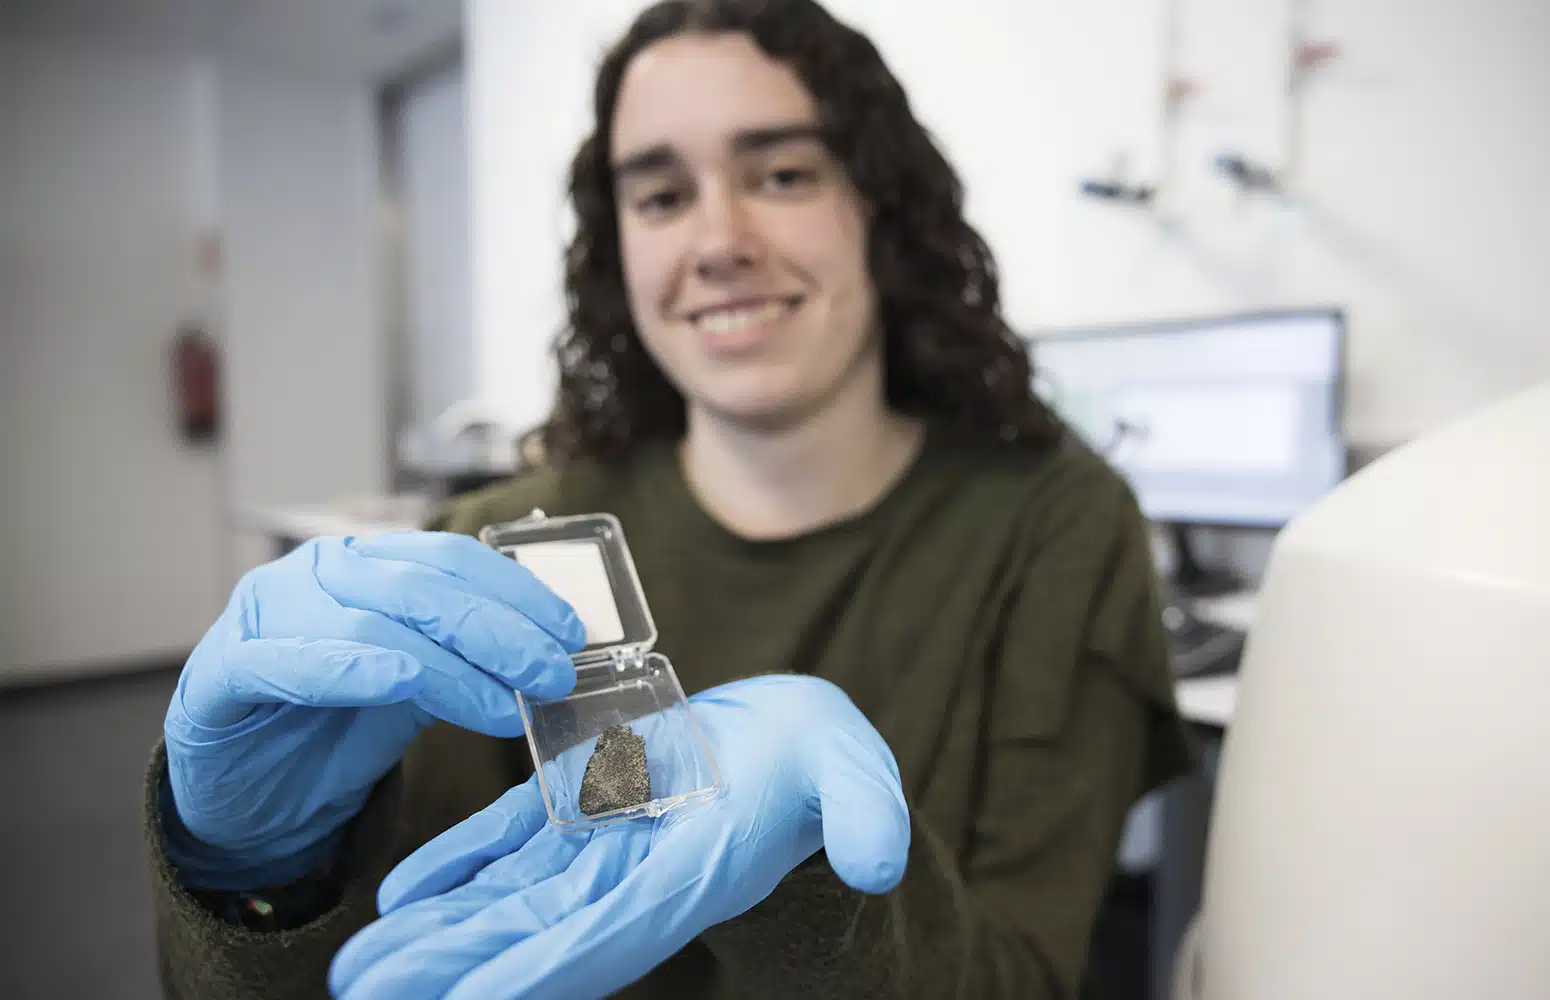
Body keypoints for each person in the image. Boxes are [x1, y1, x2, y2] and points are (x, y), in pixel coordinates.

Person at [147, 1, 1194, 997]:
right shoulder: (494, 548)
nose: (717, 240)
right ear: (619, 250)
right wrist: (256, 872)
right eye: (659, 196)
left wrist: (808, 884)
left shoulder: (1052, 525)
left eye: (781, 173)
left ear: (883, 207)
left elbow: (1024, 980)